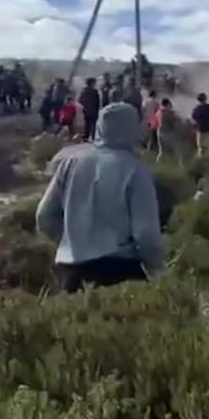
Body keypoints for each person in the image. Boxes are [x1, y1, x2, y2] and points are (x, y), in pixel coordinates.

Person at [36, 102, 164, 293]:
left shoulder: (70, 164)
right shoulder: (134, 170)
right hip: (119, 272)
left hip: (71, 272)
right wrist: (158, 273)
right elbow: (146, 234)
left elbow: (44, 217)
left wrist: (72, 241)